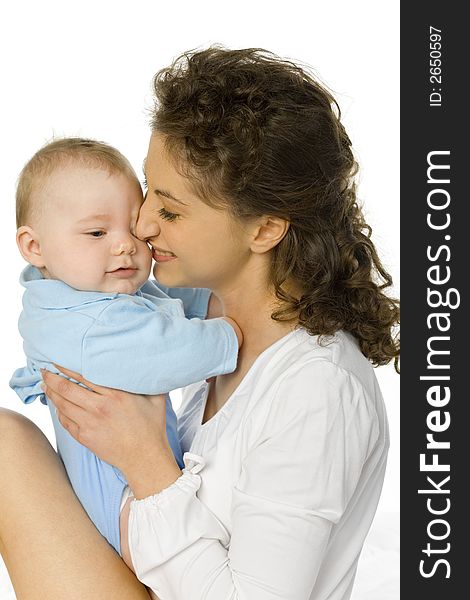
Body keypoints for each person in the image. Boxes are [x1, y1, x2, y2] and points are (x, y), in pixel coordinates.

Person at [0, 47, 399, 600]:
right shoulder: (212, 310)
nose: (140, 225)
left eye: (170, 210)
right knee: (6, 440)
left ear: (264, 230)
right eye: (148, 192)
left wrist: (145, 463)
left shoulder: (316, 392)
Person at [8, 137, 242, 557]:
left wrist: (215, 297)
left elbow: (163, 301)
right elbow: (170, 350)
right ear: (34, 246)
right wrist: (233, 332)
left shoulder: (86, 289)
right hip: (123, 506)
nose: (124, 245)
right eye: (97, 232)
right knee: (197, 555)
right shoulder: (87, 324)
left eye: (132, 228)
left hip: (143, 486)